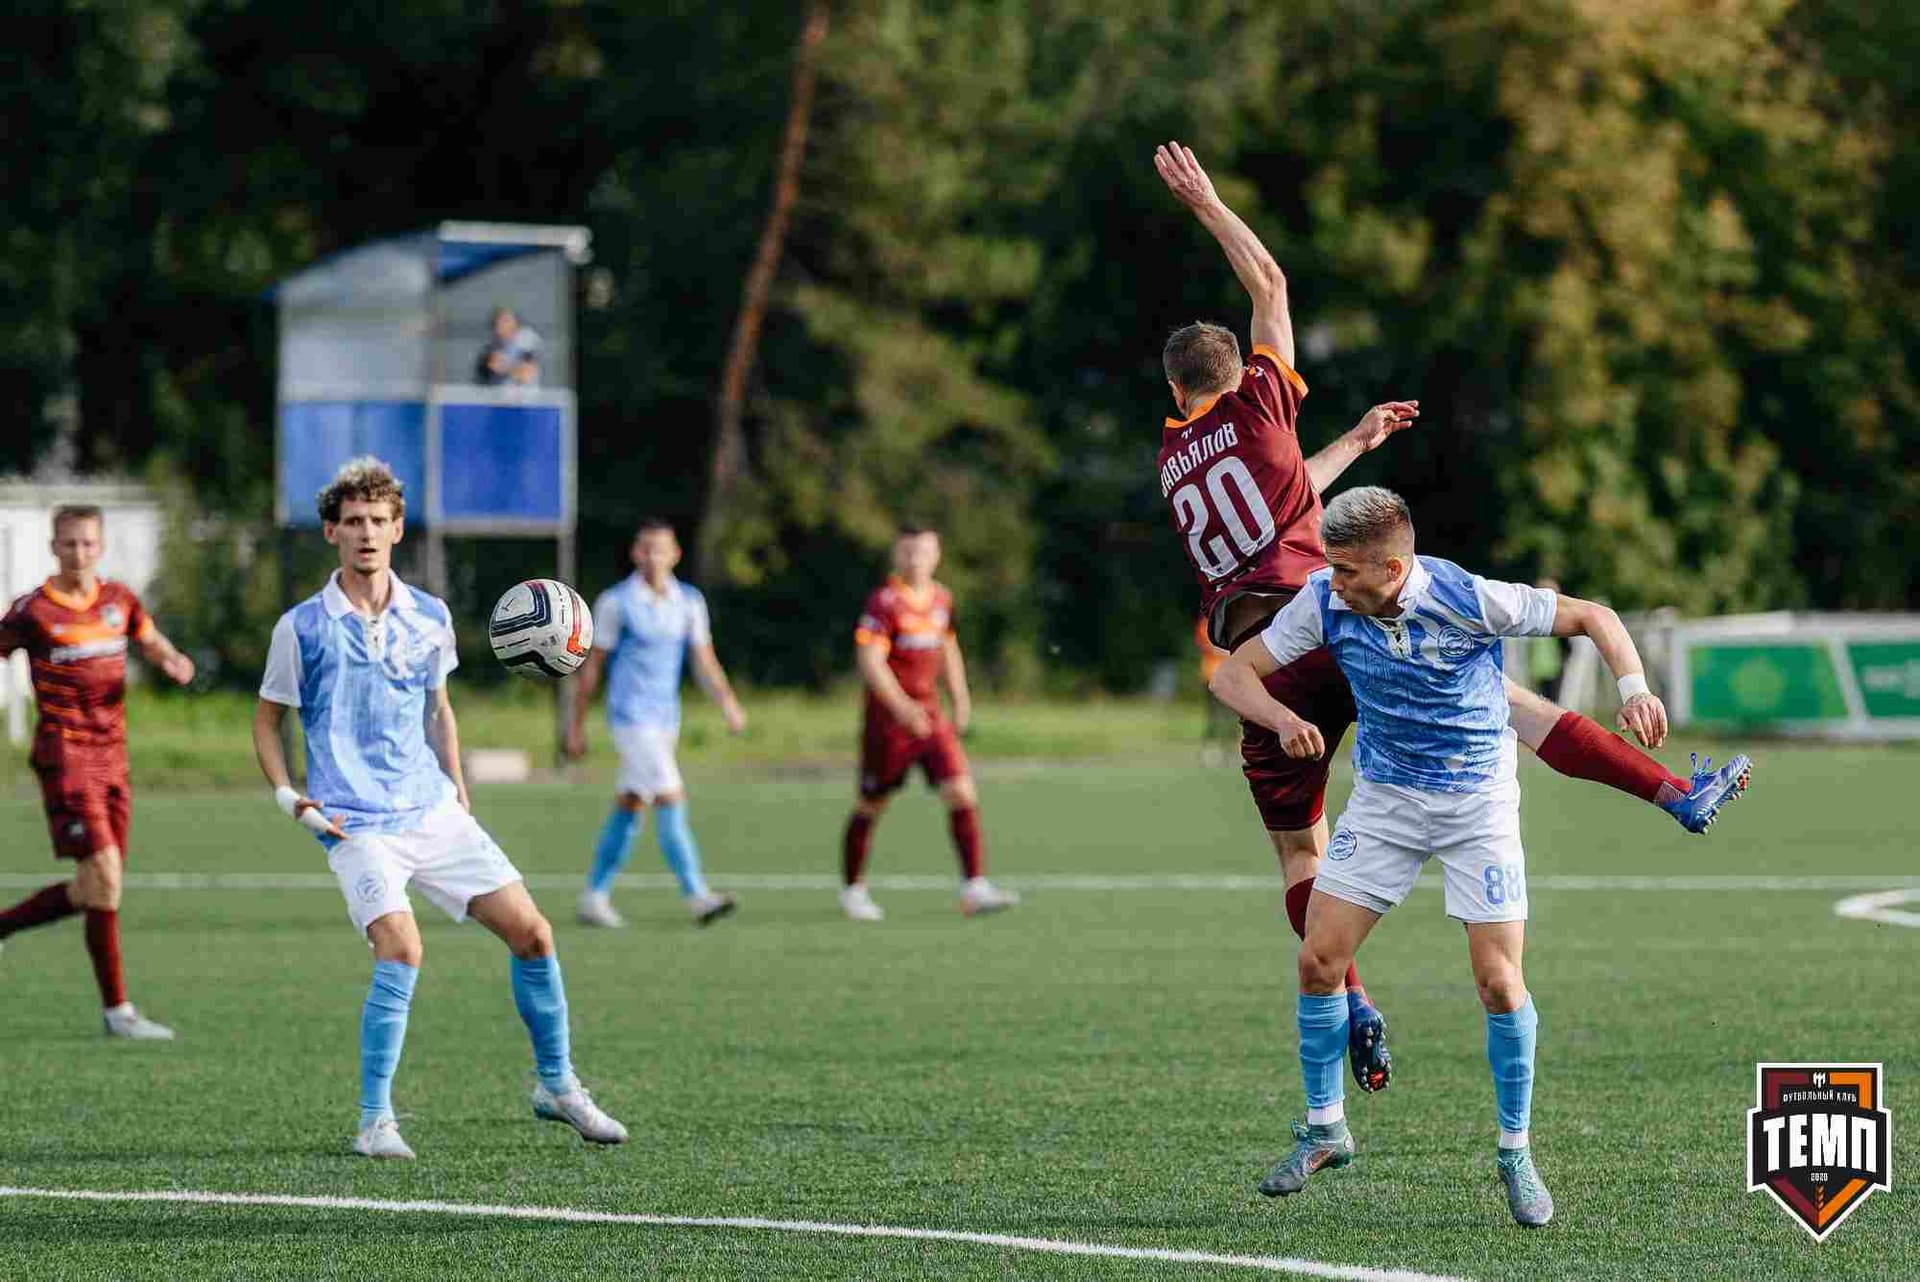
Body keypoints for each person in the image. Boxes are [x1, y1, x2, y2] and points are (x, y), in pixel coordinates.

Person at [1150, 140, 1756, 1095]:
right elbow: (1266, 278)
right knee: (1505, 699)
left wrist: (1353, 440)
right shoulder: (1261, 405)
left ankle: (1348, 991)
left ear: (1175, 391)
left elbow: (1279, 504)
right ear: (1238, 372)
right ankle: (1674, 794)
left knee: (1300, 852)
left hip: (1265, 654)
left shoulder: (1173, 459)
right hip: (1333, 617)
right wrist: (1207, 201)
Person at [1210, 487, 1752, 1224]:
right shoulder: (1323, 600)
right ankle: (1325, 1128)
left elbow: (1595, 616)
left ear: (1394, 567)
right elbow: (1232, 673)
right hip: (1388, 802)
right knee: (1318, 960)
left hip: (1477, 807)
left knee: (1499, 984)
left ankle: (1515, 1153)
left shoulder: (1471, 598)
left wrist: (1634, 689)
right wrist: (1281, 717)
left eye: (1346, 572)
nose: (1331, 584)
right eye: (1330, 570)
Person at [252, 456, 625, 1160]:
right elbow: (268, 720)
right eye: (353, 522)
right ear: (332, 531)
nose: (367, 533)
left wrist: (458, 789)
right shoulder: (300, 628)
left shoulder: (430, 615)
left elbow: (439, 710)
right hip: (354, 822)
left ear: (397, 529)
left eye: (379, 521)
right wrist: (289, 796)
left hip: (432, 810)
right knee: (402, 948)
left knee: (536, 935)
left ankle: (557, 1084)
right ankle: (374, 1120)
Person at [0, 505, 194, 1039]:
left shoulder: (118, 601)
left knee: (98, 887)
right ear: (53, 547)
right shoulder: (33, 611)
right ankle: (119, 1011)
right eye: (68, 544)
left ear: (100, 547)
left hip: (115, 757)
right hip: (66, 756)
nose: (78, 553)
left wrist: (171, 660)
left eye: (87, 544)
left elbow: (148, 638)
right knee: (105, 875)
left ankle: (115, 1012)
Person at [565, 518, 746, 928]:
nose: (652, 556)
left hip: (666, 720)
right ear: (635, 553)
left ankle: (594, 895)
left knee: (631, 805)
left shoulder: (689, 602)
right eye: (645, 548)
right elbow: (593, 667)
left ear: (675, 554)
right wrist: (575, 726)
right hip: (631, 719)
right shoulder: (616, 602)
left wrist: (728, 703)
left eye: (660, 548)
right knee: (670, 798)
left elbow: (704, 658)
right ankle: (697, 895)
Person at [839, 527, 1018, 921]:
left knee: (961, 792)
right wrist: (902, 708)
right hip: (890, 722)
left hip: (931, 716)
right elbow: (870, 662)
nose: (915, 559)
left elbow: (948, 649)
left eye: (923, 551)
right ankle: (853, 890)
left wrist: (961, 699)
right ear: (896, 555)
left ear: (936, 553)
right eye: (908, 551)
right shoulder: (883, 603)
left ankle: (974, 888)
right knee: (872, 803)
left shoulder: (941, 598)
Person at [474, 306, 541, 386]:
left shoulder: (528, 341)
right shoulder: (491, 347)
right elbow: (492, 367)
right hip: (495, 395)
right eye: (497, 322)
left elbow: (525, 375)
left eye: (506, 320)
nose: (500, 324)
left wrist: (506, 367)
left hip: (524, 395)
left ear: (516, 324)